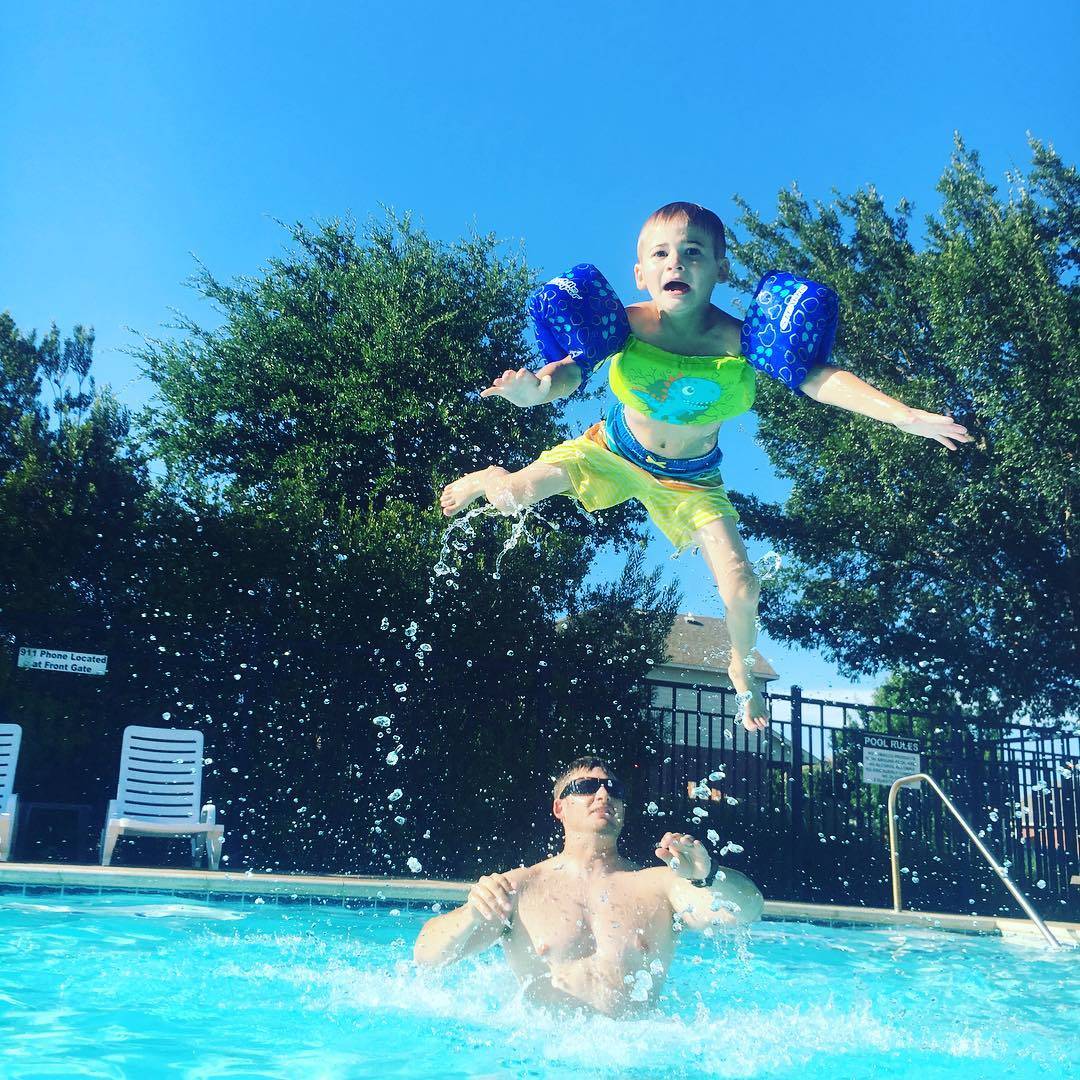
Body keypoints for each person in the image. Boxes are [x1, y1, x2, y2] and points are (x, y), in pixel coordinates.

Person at [440, 202, 973, 731]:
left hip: (692, 480)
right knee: (514, 497)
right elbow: (564, 374)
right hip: (611, 451)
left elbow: (818, 378)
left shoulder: (744, 343)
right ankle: (492, 475)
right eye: (662, 254)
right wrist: (530, 392)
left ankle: (741, 666)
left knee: (742, 587)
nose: (676, 264)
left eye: (693, 253)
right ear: (641, 272)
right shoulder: (623, 327)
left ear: (720, 267)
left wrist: (903, 417)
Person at [413, 756, 763, 1017]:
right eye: (585, 787)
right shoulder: (521, 887)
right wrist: (473, 913)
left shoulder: (661, 884)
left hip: (636, 1056)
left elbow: (748, 910)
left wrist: (707, 873)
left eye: (614, 789)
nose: (602, 794)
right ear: (559, 807)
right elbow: (427, 956)